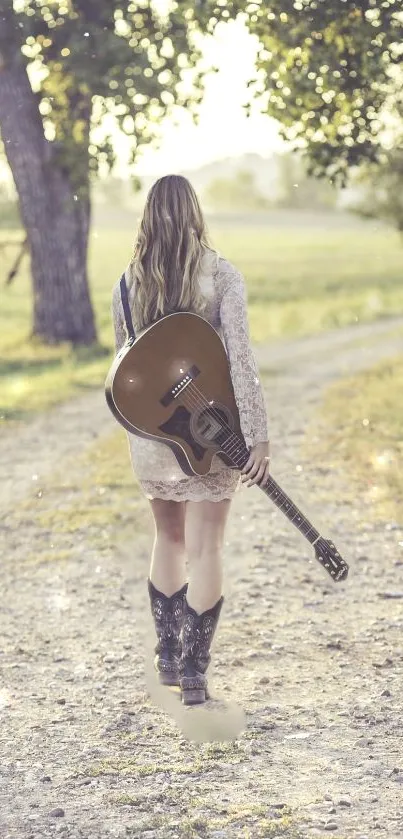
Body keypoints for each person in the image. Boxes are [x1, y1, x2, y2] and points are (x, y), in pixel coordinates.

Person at [111, 174, 270, 705]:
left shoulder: (127, 284)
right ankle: (194, 671)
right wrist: (257, 437)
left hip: (155, 436)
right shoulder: (222, 275)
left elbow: (126, 374)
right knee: (206, 547)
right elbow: (240, 363)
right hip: (212, 431)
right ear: (195, 213)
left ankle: (167, 657)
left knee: (169, 540)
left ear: (148, 217)